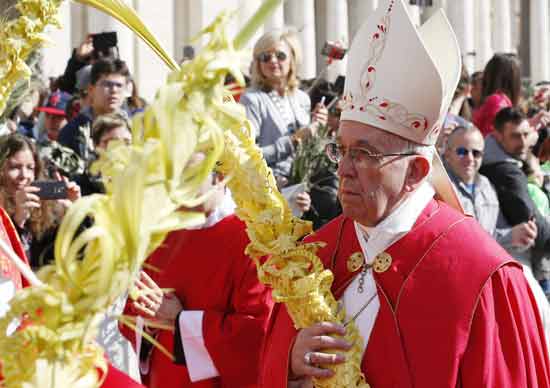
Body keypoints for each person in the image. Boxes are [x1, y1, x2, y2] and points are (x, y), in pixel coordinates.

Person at [260, 1, 550, 387]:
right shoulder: (315, 256)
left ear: (416, 171)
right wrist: (291, 365)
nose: (343, 169)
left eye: (363, 155)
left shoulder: (482, 277)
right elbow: (268, 369)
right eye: (341, 150)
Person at [122, 154, 273, 388]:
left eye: (189, 177)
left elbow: (255, 335)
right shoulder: (165, 232)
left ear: (219, 177)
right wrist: (149, 321)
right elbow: (132, 312)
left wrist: (181, 320)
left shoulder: (254, 239)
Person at [240, 28, 326, 214]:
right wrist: (293, 141)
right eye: (265, 57)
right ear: (257, 63)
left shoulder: (302, 98)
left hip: (300, 193)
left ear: (292, 59)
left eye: (280, 55)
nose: (273, 61)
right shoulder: (252, 99)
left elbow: (309, 151)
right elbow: (247, 155)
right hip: (267, 194)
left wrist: (318, 125)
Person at [443, 126, 537, 249]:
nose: (470, 158)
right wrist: (509, 237)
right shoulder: (440, 187)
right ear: (448, 154)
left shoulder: (485, 185)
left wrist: (517, 235)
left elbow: (494, 232)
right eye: (462, 152)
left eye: (476, 153)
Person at [481, 108, 550, 270]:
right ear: (498, 135)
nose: (523, 142)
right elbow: (531, 222)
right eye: (515, 136)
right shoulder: (507, 174)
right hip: (516, 259)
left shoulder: (490, 152)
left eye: (525, 135)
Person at [0, 134, 81, 268]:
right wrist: (18, 221)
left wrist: (75, 213)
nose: (24, 176)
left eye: (30, 168)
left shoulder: (45, 209)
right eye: (14, 167)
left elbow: (69, 257)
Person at [58, 59, 130, 160]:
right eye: (107, 85)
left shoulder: (134, 129)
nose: (114, 90)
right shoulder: (73, 132)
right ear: (91, 90)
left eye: (119, 85)